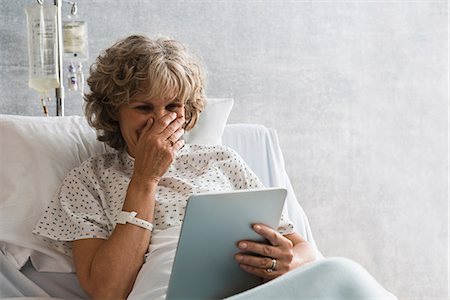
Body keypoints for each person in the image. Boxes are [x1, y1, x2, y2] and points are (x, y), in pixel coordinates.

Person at [33, 34, 396, 300]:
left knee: (341, 272)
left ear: (189, 110)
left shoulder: (222, 160)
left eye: (173, 107)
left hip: (251, 291)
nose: (161, 120)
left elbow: (306, 251)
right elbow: (106, 290)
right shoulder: (89, 179)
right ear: (114, 112)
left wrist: (288, 261)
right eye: (144, 108)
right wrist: (146, 177)